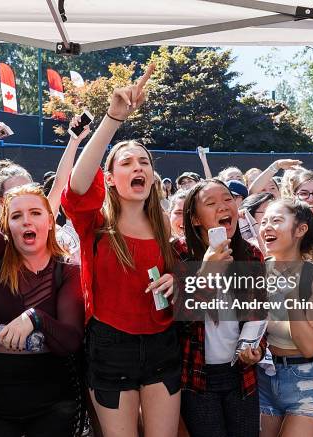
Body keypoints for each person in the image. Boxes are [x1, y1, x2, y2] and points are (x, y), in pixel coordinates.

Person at [62, 64, 181, 437]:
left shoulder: (165, 226)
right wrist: (113, 118)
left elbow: (181, 275)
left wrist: (176, 280)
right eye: (126, 162)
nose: (138, 166)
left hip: (163, 345)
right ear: (111, 179)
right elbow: (76, 186)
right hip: (110, 346)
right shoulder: (94, 222)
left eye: (144, 161)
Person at [0, 114, 84, 436]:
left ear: (50, 221)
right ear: (8, 226)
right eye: (17, 216)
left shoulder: (68, 272)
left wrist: (35, 318)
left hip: (53, 394)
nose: (27, 221)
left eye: (35, 213)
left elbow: (71, 340)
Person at [177, 177, 266, 437]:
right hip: (196, 378)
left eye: (228, 199)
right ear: (195, 219)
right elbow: (181, 321)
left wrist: (256, 348)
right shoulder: (178, 253)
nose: (223, 206)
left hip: (241, 374)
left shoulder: (250, 255)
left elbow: (258, 315)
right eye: (211, 202)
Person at [257, 199, 313, 437]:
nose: (266, 227)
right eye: (264, 221)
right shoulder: (256, 270)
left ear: (300, 230)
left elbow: (310, 346)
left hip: (307, 381)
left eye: (276, 221)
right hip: (263, 377)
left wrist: (291, 293)